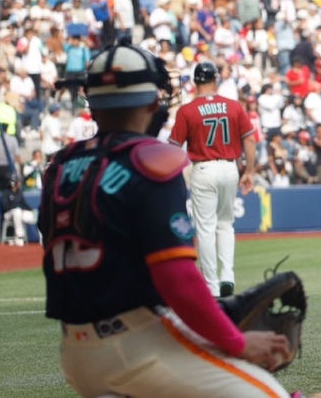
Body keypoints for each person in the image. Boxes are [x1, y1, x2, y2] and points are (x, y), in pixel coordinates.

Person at [38, 38, 291, 397]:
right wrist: (235, 341)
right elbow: (177, 278)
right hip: (136, 344)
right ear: (151, 102)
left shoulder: (61, 165)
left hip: (74, 353)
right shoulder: (151, 159)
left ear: (90, 101)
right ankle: (223, 280)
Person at [168, 61, 257, 297]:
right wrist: (249, 171)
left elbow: (174, 147)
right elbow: (249, 139)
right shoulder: (233, 106)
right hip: (229, 167)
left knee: (206, 228)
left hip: (204, 168)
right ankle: (227, 275)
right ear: (215, 80)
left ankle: (212, 285)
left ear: (195, 81)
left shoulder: (187, 110)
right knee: (225, 224)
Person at [1, 175, 35, 246]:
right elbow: (5, 207)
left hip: (18, 213)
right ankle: (20, 236)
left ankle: (41, 237)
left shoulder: (19, 192)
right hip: (8, 214)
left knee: (32, 215)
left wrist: (32, 210)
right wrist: (16, 207)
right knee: (17, 211)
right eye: (18, 182)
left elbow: (24, 203)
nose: (19, 183)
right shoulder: (6, 192)